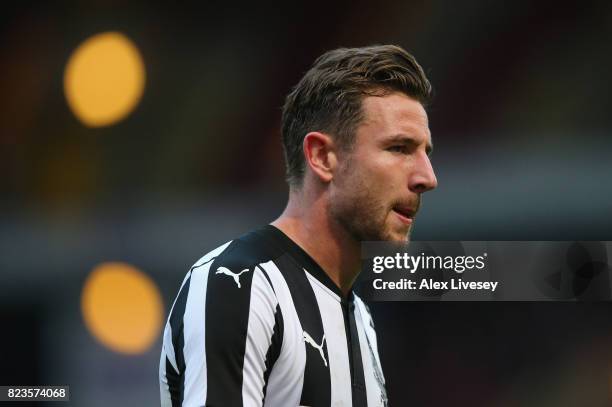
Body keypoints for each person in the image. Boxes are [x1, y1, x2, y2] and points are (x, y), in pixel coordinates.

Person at [159, 44, 437, 407]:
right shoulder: (239, 285)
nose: (427, 177)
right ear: (322, 157)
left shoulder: (360, 317)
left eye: (425, 153)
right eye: (399, 148)